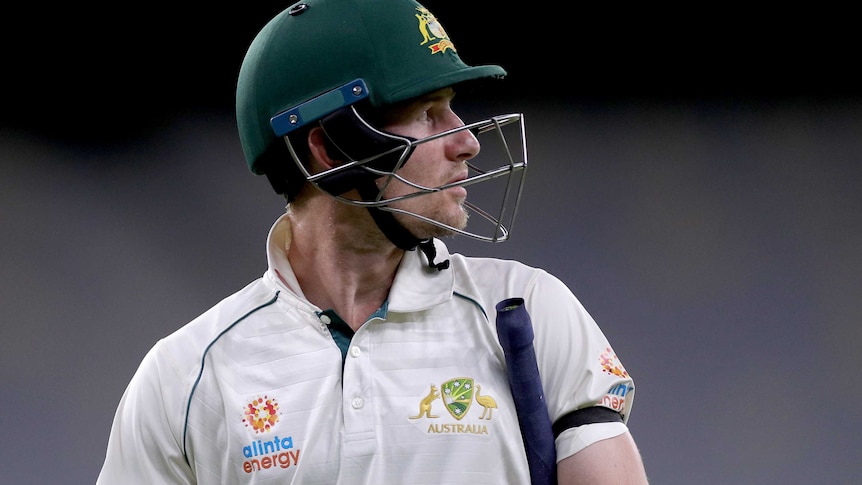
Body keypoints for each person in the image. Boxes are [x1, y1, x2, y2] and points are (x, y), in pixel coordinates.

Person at [97, 0, 649, 483]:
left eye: (453, 108)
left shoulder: (530, 311)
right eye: (429, 114)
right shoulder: (186, 375)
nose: (465, 141)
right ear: (331, 149)